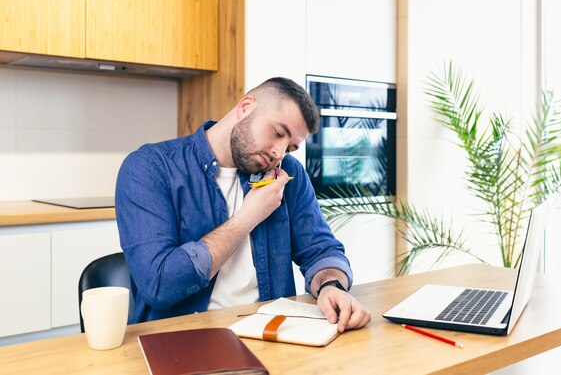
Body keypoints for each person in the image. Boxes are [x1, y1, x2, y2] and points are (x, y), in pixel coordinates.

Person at [115, 77, 371, 332]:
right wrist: (247, 217)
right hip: (182, 342)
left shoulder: (289, 173)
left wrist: (331, 286)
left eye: (290, 148)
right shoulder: (150, 168)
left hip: (274, 336)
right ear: (246, 106)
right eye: (278, 133)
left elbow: (322, 251)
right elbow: (159, 284)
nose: (279, 153)